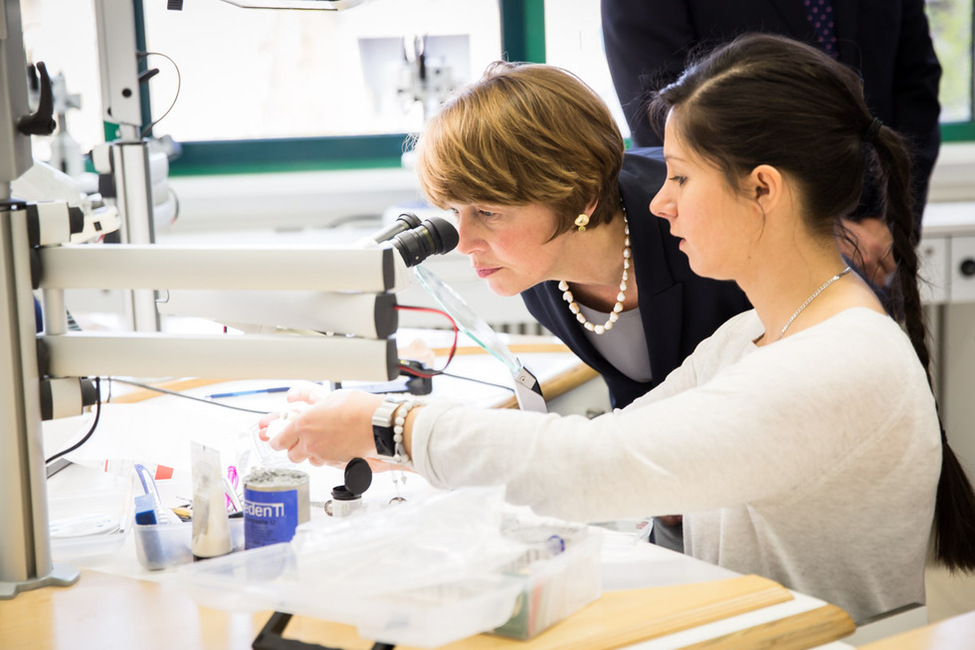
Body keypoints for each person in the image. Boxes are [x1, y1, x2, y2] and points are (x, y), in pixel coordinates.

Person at [261, 34, 975, 622]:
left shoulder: (838, 360)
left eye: (680, 178)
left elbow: (602, 465)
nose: (657, 204)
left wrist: (389, 425)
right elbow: (596, 451)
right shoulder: (750, 337)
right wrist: (389, 448)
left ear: (762, 188)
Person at [600, 0, 943, 288]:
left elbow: (916, 86)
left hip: (877, 249)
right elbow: (669, 116)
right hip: (746, 263)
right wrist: (815, 231)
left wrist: (891, 221)